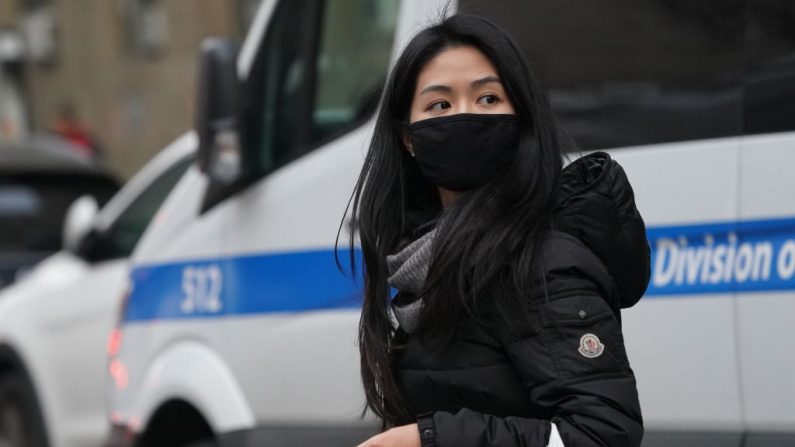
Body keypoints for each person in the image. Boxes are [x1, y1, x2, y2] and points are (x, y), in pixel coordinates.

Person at [339, 13, 650, 447]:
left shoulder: (541, 261)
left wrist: (427, 440)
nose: (464, 117)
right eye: (440, 105)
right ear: (409, 139)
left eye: (487, 99)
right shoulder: (424, 264)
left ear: (520, 119)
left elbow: (603, 435)